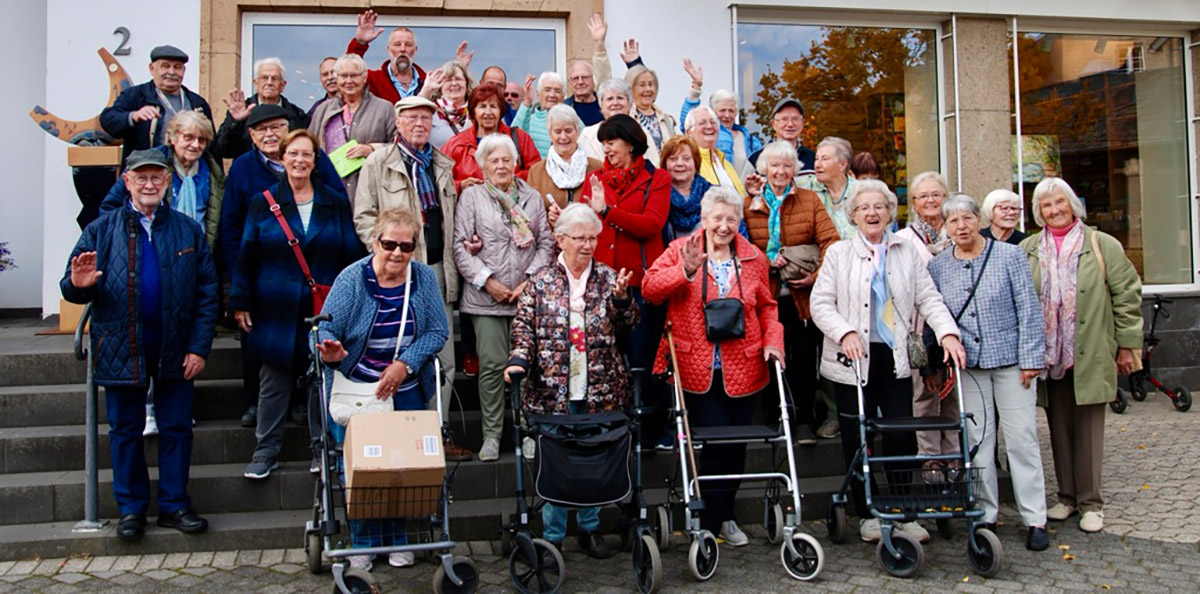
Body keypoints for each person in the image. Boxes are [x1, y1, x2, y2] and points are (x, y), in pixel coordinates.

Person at [61, 149, 218, 541]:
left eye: (157, 178)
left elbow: (207, 293)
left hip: (175, 346)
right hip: (120, 346)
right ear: (127, 182)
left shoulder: (187, 230)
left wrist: (199, 348)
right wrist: (78, 286)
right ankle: (131, 510)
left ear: (167, 183)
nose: (149, 185)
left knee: (177, 428)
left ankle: (174, 505)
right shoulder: (102, 228)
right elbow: (72, 283)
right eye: (141, 178)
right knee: (126, 430)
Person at [809, 179, 965, 545]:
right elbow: (820, 304)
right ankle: (865, 511)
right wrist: (844, 332)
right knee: (857, 436)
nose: (872, 213)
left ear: (890, 213)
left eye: (879, 207)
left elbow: (928, 298)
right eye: (864, 208)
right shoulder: (839, 254)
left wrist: (948, 334)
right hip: (852, 359)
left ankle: (902, 509)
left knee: (900, 434)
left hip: (894, 357)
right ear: (854, 215)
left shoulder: (905, 252)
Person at [642, 185, 784, 548]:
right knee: (717, 442)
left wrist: (774, 341)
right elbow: (650, 289)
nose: (724, 226)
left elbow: (767, 305)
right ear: (703, 220)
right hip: (696, 365)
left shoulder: (752, 256)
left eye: (731, 219)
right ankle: (710, 518)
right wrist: (685, 271)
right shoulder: (680, 250)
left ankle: (724, 516)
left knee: (735, 446)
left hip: (746, 364)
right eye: (717, 218)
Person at [314, 208, 450, 571]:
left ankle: (398, 538)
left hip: (403, 385)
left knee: (402, 467)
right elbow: (325, 329)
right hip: (358, 385)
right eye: (389, 244)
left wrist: (405, 364)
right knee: (363, 468)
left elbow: (438, 331)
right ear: (375, 242)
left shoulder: (421, 278)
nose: (397, 253)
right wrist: (331, 348)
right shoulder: (352, 279)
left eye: (406, 246)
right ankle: (363, 541)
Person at [504, 203, 638, 558]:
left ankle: (590, 530)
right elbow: (524, 332)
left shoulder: (610, 278)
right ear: (560, 239)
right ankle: (553, 534)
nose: (588, 245)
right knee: (558, 464)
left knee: (593, 461)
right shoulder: (541, 282)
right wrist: (518, 361)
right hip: (552, 390)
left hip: (600, 388)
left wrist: (623, 301)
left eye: (593, 237)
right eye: (580, 238)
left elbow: (628, 327)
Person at [230, 130, 365, 480]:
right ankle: (265, 451)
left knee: (324, 380)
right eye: (294, 154)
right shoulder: (264, 201)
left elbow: (352, 256)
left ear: (315, 161)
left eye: (307, 155)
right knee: (274, 380)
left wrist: (355, 302)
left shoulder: (334, 201)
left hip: (325, 308)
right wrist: (240, 301)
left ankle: (321, 449)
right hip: (275, 304)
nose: (300, 161)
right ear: (283, 157)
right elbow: (247, 254)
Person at [927, 194, 1051, 551]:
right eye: (953, 221)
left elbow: (1028, 308)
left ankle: (1034, 518)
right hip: (970, 366)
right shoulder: (939, 266)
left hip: (1013, 363)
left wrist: (1031, 358)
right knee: (978, 445)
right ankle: (985, 515)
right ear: (946, 227)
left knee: (1021, 440)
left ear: (978, 219)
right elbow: (936, 314)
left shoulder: (1009, 255)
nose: (961, 227)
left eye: (967, 218)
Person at [1019, 177, 1142, 534]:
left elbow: (1127, 296)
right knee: (1058, 426)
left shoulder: (1101, 244)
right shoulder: (1028, 249)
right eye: (1046, 205)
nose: (1054, 210)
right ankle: (1067, 497)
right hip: (1048, 354)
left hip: (1089, 348)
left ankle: (1091, 502)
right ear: (1038, 212)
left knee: (1088, 426)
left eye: (1060, 202)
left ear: (1073, 204)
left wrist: (1127, 345)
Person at [354, 96, 472, 462]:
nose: (419, 124)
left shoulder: (441, 164)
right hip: (397, 274)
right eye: (412, 118)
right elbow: (363, 218)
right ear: (398, 122)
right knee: (397, 354)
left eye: (425, 118)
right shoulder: (378, 162)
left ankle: (436, 433)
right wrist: (390, 258)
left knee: (444, 359)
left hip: (438, 271)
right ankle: (397, 433)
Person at [219, 104, 345, 430]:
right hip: (269, 283)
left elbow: (341, 222)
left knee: (309, 347)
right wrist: (238, 292)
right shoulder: (245, 170)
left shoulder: (323, 176)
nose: (269, 134)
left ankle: (302, 405)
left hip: (316, 283)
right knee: (263, 349)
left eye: (277, 126)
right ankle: (254, 405)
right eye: (262, 129)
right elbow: (235, 233)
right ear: (252, 135)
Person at [454, 134, 554, 462]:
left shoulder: (532, 197)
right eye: (494, 160)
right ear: (483, 165)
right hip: (487, 299)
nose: (501, 165)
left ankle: (528, 431)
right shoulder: (471, 197)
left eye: (506, 160)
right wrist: (489, 282)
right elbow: (460, 247)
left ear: (515, 163)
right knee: (493, 366)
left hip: (526, 297)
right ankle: (492, 435)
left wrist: (529, 281)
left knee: (529, 367)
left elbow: (546, 244)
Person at [579, 115, 671, 444]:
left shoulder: (656, 178)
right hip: (602, 285)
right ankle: (614, 433)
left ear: (630, 144)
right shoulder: (596, 178)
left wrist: (607, 213)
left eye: (612, 141)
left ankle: (650, 435)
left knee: (642, 363)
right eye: (603, 142)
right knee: (606, 361)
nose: (606, 148)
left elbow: (651, 224)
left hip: (642, 287)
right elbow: (583, 225)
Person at [742, 141, 839, 445]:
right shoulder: (750, 204)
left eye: (787, 165)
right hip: (765, 297)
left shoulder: (809, 200)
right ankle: (775, 420)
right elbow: (740, 247)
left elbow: (832, 243)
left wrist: (815, 277)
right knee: (770, 359)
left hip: (802, 297)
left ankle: (804, 423)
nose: (781, 171)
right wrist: (765, 261)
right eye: (775, 165)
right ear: (764, 169)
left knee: (802, 361)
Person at [895, 171, 958, 476]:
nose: (930, 201)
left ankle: (955, 454)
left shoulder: (958, 231)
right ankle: (930, 455)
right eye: (923, 196)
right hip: (918, 328)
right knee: (924, 392)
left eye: (936, 194)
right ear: (914, 204)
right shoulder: (904, 239)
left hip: (954, 324)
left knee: (954, 392)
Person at [100, 45, 213, 167]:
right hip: (148, 174)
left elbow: (212, 147)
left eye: (177, 67)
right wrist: (133, 116)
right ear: (152, 68)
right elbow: (108, 119)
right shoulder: (135, 95)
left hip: (188, 174)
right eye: (165, 66)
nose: (171, 72)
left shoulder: (197, 102)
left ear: (184, 71)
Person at [308, 53, 397, 203]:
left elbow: (399, 147)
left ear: (364, 77)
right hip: (330, 191)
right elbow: (310, 147)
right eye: (343, 76)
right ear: (337, 78)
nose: (348, 81)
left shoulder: (384, 108)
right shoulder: (322, 110)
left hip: (372, 193)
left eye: (354, 75)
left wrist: (372, 149)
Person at [345, 9, 466, 103]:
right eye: (397, 44)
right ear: (389, 49)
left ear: (415, 50)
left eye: (408, 45)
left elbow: (453, 96)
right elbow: (348, 71)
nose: (403, 49)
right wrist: (360, 43)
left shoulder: (428, 82)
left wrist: (459, 68)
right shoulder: (374, 79)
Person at [442, 85, 541, 193]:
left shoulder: (519, 138)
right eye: (482, 106)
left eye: (493, 106)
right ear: (473, 112)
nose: (488, 112)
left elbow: (537, 173)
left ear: (501, 111)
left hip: (513, 206)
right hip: (471, 207)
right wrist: (460, 185)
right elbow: (440, 180)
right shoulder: (456, 144)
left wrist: (510, 180)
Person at [213, 57, 310, 159]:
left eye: (274, 78)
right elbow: (223, 150)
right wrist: (236, 123)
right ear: (255, 83)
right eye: (264, 78)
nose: (269, 82)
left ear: (282, 85)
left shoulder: (297, 115)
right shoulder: (241, 110)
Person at [679, 60, 761, 174]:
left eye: (731, 111)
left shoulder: (751, 140)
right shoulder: (708, 134)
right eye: (722, 110)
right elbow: (688, 120)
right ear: (712, 111)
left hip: (742, 190)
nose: (727, 115)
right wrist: (696, 86)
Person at [526, 104, 603, 212]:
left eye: (568, 131)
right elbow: (533, 215)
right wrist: (551, 221)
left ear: (577, 131)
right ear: (550, 134)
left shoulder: (597, 168)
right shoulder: (536, 172)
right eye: (557, 131)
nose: (563, 137)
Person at [798, 136, 857, 240]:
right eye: (816, 159)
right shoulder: (805, 185)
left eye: (825, 159)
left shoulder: (860, 191)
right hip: (817, 254)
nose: (817, 165)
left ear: (842, 164)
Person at [743, 98, 815, 179]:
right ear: (773, 124)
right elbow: (743, 189)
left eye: (795, 119)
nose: (790, 124)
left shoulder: (814, 159)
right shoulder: (756, 159)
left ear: (802, 123)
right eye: (784, 119)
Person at [684, 105, 746, 197]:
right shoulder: (689, 164)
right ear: (689, 132)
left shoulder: (725, 163)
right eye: (702, 123)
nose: (709, 126)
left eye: (713, 123)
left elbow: (741, 199)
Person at [659, 134, 712, 242]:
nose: (680, 164)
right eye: (673, 159)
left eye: (686, 159)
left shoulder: (712, 194)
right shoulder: (658, 195)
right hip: (669, 257)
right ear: (665, 164)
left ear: (695, 163)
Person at [625, 65, 676, 165]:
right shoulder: (626, 118)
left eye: (651, 84)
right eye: (642, 85)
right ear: (631, 89)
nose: (648, 89)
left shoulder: (666, 119)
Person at [421, 61, 474, 149]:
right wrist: (426, 90)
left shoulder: (476, 111)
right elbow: (410, 118)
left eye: (458, 79)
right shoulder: (430, 111)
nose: (454, 84)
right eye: (448, 80)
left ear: (467, 83)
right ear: (440, 86)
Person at [512, 72, 566, 157]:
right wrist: (527, 102)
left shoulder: (572, 120)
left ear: (563, 96)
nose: (552, 95)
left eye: (557, 91)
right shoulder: (529, 119)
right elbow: (512, 137)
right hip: (534, 169)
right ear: (538, 94)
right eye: (547, 90)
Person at [578, 79, 632, 161]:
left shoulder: (641, 133)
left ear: (629, 104)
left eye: (620, 98)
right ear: (601, 105)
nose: (615, 103)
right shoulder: (587, 135)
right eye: (610, 99)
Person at [564, 60, 604, 126]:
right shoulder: (564, 108)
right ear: (570, 83)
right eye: (576, 78)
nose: (580, 82)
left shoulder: (605, 104)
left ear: (593, 79)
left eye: (585, 77)